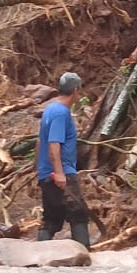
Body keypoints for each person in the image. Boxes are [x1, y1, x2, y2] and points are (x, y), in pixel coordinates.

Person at [36, 72, 90, 247]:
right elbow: (54, 144)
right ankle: (85, 260)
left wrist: (39, 169)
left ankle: (38, 255)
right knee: (79, 214)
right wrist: (59, 174)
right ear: (75, 91)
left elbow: (39, 141)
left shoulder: (50, 109)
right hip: (61, 173)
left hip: (46, 173)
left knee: (52, 218)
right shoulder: (60, 113)